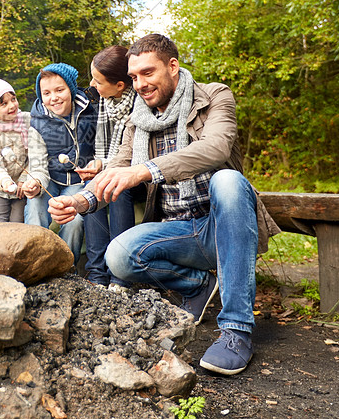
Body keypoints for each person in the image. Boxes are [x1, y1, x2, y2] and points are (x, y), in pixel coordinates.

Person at [48, 33, 280, 376]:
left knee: (228, 181)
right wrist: (80, 200)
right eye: (134, 77)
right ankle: (197, 286)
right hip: (179, 232)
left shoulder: (214, 96)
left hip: (224, 223)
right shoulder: (137, 119)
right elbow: (116, 168)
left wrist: (146, 170)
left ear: (172, 66)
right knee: (118, 255)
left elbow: (216, 148)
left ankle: (236, 330)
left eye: (147, 73)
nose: (139, 84)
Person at [76, 46, 137, 291]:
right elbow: (104, 151)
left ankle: (120, 276)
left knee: (116, 187)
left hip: (141, 172)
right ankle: (96, 273)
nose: (92, 85)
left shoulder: (140, 105)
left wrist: (107, 168)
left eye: (98, 81)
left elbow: (132, 154)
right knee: (93, 185)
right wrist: (99, 164)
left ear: (120, 85)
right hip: (114, 165)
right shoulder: (102, 102)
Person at [25, 63, 97, 263]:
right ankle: (35, 264)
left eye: (59, 90)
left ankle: (67, 267)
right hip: (50, 179)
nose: (53, 98)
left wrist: (96, 164)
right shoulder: (37, 122)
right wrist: (36, 183)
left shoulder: (90, 112)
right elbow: (38, 166)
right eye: (46, 93)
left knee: (73, 221)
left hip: (77, 182)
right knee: (34, 207)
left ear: (71, 90)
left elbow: (101, 150)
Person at [0, 78, 48, 222]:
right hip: (0, 188)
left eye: (13, 99)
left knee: (17, 222)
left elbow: (34, 156)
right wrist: (5, 182)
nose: (12, 105)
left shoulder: (28, 121)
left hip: (22, 187)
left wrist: (23, 180)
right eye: (4, 103)